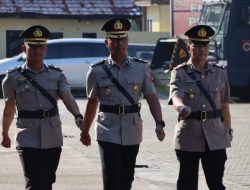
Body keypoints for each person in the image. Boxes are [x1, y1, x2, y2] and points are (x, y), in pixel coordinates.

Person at [79, 17, 166, 190]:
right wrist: (85, 131)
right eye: (114, 39)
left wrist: (159, 123)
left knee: (127, 178)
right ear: (107, 42)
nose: (119, 44)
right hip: (107, 129)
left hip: (132, 128)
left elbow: (151, 97)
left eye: (122, 39)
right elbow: (92, 103)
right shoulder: (96, 71)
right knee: (112, 177)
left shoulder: (141, 68)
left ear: (127, 40)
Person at [1, 25, 83, 190]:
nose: (37, 50)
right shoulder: (12, 78)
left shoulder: (57, 75)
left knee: (46, 182)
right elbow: (9, 108)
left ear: (45, 49)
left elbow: (67, 97)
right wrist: (4, 134)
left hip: (52, 135)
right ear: (24, 48)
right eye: (33, 46)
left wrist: (78, 116)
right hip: (26, 136)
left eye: (41, 46)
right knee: (34, 182)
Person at [168, 25, 232, 190]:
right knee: (187, 184)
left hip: (215, 136)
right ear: (189, 47)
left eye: (204, 45)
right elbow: (175, 95)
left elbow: (224, 105)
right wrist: (180, 107)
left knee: (216, 184)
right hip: (190, 134)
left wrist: (229, 130)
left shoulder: (220, 73)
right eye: (197, 45)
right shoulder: (179, 72)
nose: (201, 49)